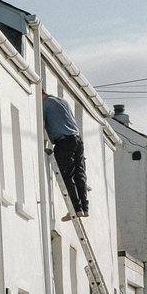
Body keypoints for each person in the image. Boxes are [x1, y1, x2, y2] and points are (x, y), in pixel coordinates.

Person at [42, 91, 89, 219]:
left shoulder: (44, 104)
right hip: (77, 140)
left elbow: (41, 125)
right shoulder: (63, 101)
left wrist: (43, 143)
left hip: (64, 142)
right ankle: (84, 208)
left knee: (67, 175)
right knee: (79, 174)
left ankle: (75, 208)